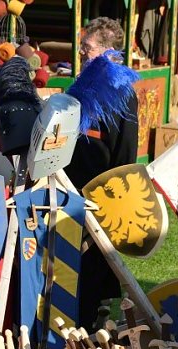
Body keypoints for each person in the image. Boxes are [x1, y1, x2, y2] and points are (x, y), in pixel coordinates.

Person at [66, 17, 139, 331]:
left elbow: (125, 153)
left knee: (95, 268)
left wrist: (111, 196)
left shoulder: (122, 91)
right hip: (70, 188)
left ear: (106, 51)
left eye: (87, 48)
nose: (82, 53)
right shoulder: (81, 85)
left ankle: (92, 326)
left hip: (101, 194)